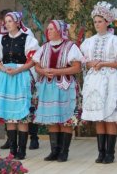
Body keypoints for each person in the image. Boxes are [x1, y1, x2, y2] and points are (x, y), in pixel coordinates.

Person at [80, 1, 117, 164]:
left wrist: (104, 63)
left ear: (107, 22)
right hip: (94, 80)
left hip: (110, 80)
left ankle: (110, 153)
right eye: (95, 21)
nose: (97, 24)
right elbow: (83, 61)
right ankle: (101, 152)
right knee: (98, 118)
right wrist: (91, 63)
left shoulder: (115, 40)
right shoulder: (89, 41)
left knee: (110, 117)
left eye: (100, 21)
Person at [33, 20, 83, 162]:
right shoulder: (44, 47)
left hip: (65, 86)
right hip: (48, 87)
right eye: (47, 29)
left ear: (60, 31)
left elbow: (77, 68)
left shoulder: (70, 47)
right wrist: (42, 71)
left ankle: (64, 151)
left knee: (66, 118)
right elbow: (36, 66)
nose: (48, 32)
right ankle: (54, 151)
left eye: (51, 29)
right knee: (53, 119)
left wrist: (56, 71)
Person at [0, 11, 39, 160]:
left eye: (10, 21)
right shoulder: (3, 39)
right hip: (7, 77)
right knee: (9, 115)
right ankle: (12, 150)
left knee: (22, 114)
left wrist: (18, 70)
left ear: (17, 22)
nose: (7, 24)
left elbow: (32, 60)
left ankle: (22, 150)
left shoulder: (28, 39)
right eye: (5, 22)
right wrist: (3, 69)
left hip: (22, 76)